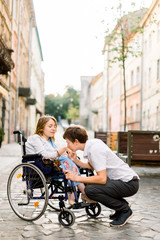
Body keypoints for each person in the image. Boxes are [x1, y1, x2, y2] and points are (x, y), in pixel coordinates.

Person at [63, 125, 140, 227]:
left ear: (76, 141)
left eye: (68, 142)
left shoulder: (95, 150)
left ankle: (125, 210)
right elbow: (91, 166)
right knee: (89, 185)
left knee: (91, 190)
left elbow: (102, 179)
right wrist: (75, 160)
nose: (67, 145)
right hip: (123, 181)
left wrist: (76, 178)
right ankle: (121, 208)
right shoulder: (92, 144)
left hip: (129, 184)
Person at [25, 115, 94, 205]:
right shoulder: (36, 138)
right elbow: (45, 155)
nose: (53, 129)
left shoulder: (49, 140)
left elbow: (55, 153)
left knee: (69, 161)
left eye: (54, 126)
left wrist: (67, 154)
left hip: (50, 164)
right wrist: (63, 149)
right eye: (50, 126)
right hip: (40, 165)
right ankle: (83, 192)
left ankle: (76, 193)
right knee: (68, 164)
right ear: (41, 127)